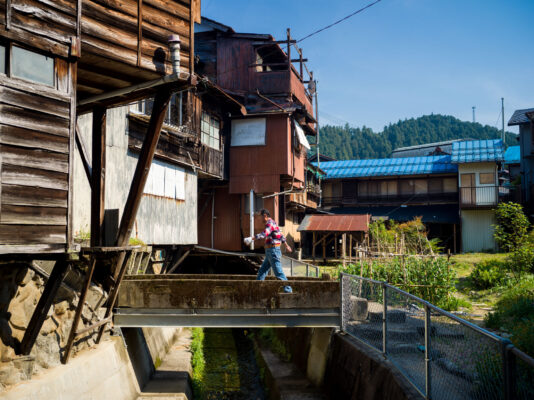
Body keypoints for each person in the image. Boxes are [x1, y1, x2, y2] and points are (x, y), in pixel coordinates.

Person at [251, 209, 293, 293]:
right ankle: (257, 289)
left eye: (260, 216)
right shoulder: (273, 223)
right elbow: (281, 236)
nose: (259, 219)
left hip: (273, 250)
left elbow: (265, 233)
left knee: (278, 272)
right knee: (262, 271)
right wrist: (287, 246)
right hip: (270, 251)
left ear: (265, 216)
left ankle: (288, 290)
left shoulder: (270, 224)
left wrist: (253, 238)